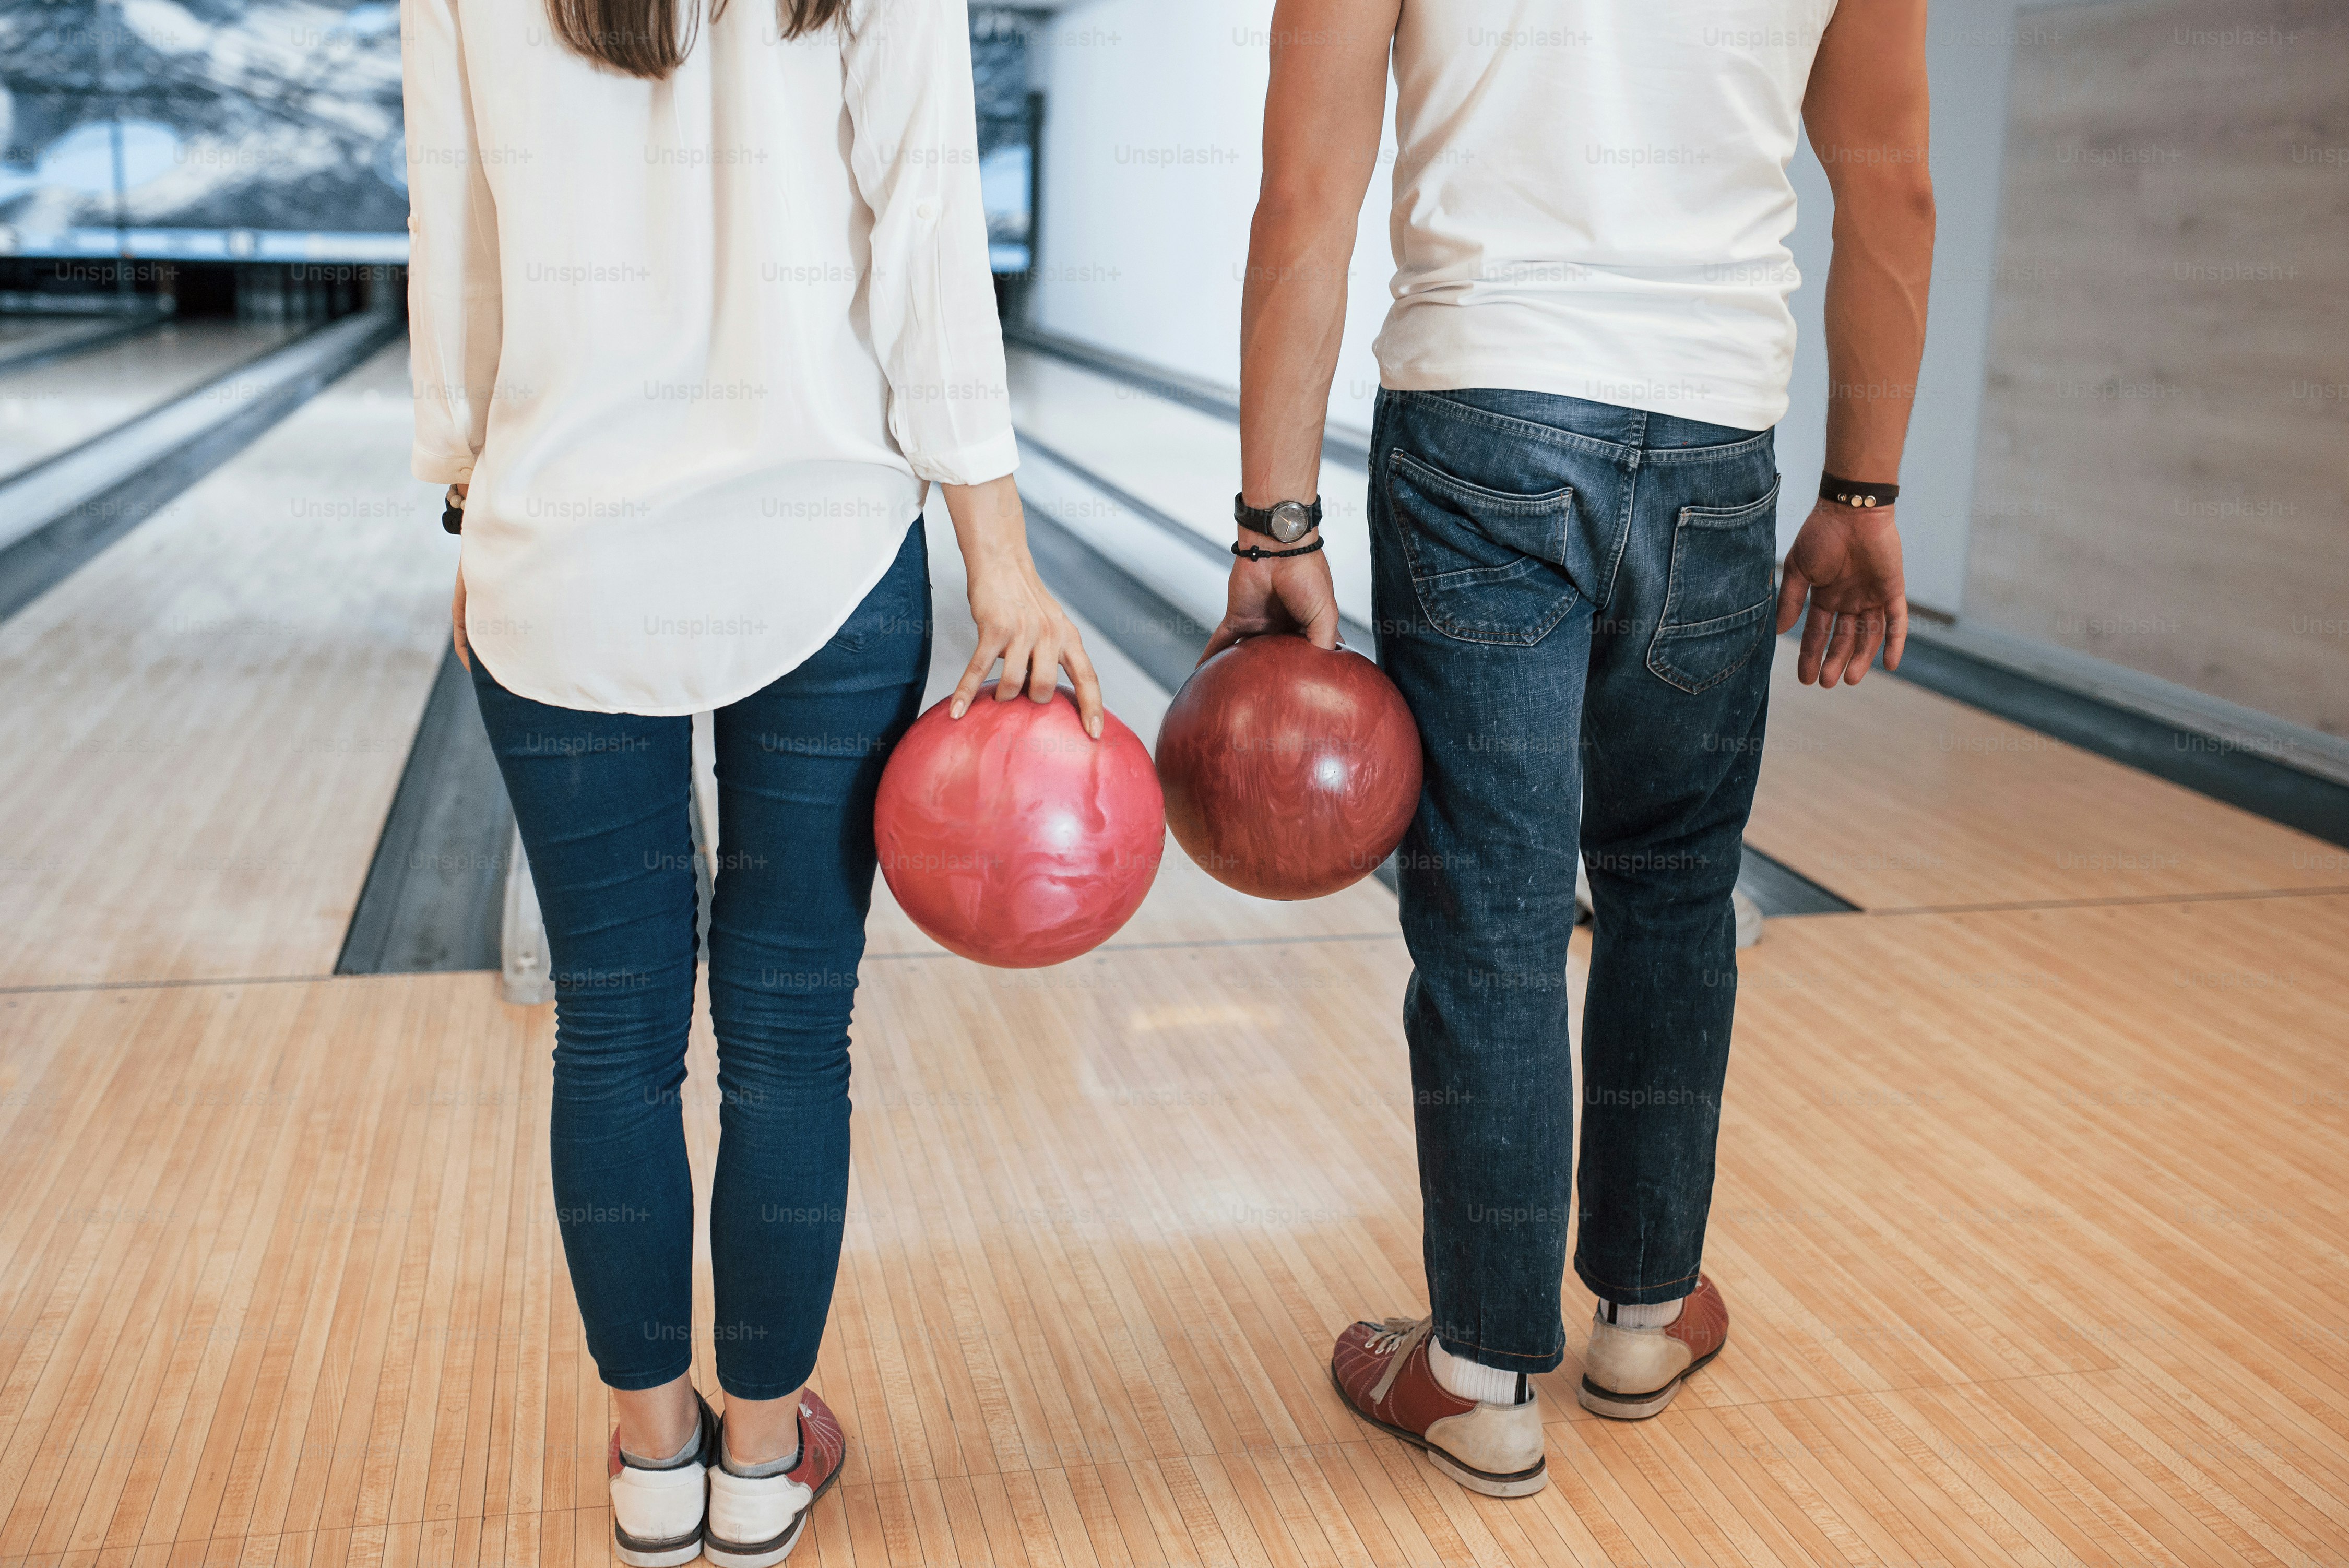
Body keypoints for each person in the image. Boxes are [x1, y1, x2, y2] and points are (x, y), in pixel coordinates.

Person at [1205, 0, 1935, 1496]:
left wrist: (1274, 519)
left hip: (1481, 421)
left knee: (1492, 908)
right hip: (1716, 437)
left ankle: (1477, 1371)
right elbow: (1894, 183)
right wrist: (1861, 487)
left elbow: (1305, 193)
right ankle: (1647, 1312)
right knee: (1672, 884)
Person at [401, 0, 1102, 1559]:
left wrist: (469, 489)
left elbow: (447, 211)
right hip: (827, 547)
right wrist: (999, 560)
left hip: (566, 553)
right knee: (791, 1030)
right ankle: (764, 1461)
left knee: (616, 1027)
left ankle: (655, 1464)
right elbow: (924, 220)